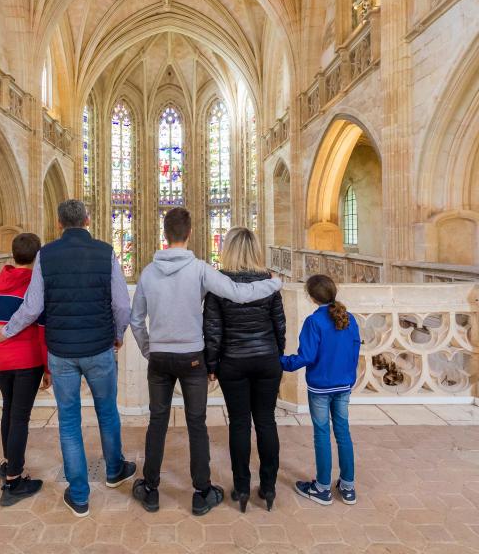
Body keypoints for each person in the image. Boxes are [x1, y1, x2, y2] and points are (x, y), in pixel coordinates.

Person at [130, 207, 283, 516]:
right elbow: (239, 294)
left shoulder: (148, 272)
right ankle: (202, 492)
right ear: (189, 234)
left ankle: (150, 489)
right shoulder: (200, 269)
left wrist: (149, 349)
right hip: (193, 359)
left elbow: (135, 320)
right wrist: (274, 283)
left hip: (160, 358)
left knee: (156, 421)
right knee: (196, 423)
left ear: (165, 234)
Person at [0, 199, 136, 518]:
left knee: (69, 421)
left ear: (59, 224)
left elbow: (32, 307)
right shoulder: (105, 252)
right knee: (107, 410)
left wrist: (8, 330)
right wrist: (118, 334)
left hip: (61, 353)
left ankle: (80, 494)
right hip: (100, 348)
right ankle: (115, 470)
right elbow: (122, 306)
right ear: (87, 219)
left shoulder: (46, 255)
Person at [203, 226, 285, 513]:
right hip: (266, 360)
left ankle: (240, 488)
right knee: (266, 421)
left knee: (239, 423)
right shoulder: (270, 283)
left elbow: (212, 329)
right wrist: (277, 356)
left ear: (229, 250)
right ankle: (269, 487)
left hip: (232, 361)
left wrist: (211, 364)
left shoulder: (219, 284)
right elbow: (279, 325)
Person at [280, 274, 361, 506]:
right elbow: (355, 352)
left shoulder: (314, 322)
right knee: (343, 433)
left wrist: (280, 361)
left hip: (320, 387)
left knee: (322, 434)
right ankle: (348, 487)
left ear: (311, 297)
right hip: (343, 384)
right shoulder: (349, 318)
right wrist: (350, 378)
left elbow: (306, 357)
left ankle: (322, 488)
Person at [0, 233, 50, 507]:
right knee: (20, 418)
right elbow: (43, 330)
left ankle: (8, 462)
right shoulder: (34, 287)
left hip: (2, 360)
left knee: (9, 411)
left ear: (13, 254)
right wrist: (48, 368)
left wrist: (0, 347)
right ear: (37, 257)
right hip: (27, 360)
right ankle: (14, 480)